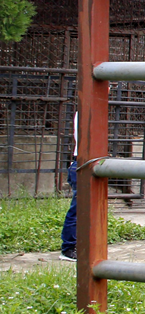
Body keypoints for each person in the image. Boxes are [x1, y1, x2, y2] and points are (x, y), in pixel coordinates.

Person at [60, 112, 77, 262]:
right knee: (78, 209)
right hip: (81, 163)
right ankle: (68, 248)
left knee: (83, 209)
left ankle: (73, 246)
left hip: (80, 162)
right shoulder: (87, 110)